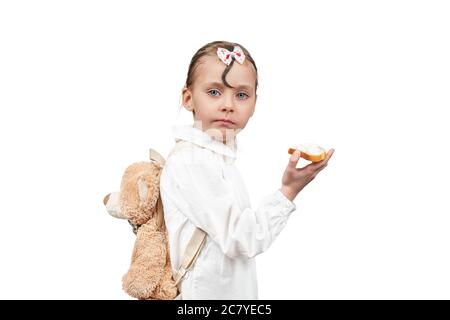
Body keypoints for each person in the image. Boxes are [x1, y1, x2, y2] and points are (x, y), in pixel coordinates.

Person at [159, 41, 334, 299]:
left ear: (254, 103)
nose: (228, 105)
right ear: (188, 98)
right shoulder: (194, 162)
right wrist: (287, 192)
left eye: (241, 95)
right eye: (214, 92)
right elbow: (241, 238)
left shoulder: (215, 159)